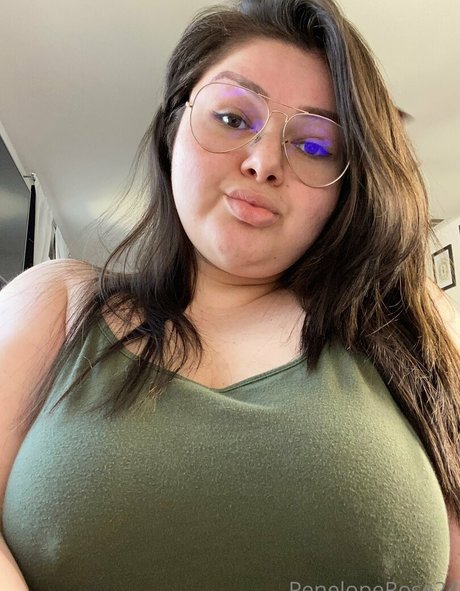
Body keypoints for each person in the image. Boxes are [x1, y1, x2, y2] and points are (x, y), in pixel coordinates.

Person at [1, 0, 459, 589]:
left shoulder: (408, 321)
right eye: (233, 117)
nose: (264, 162)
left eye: (316, 147)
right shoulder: (58, 303)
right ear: (173, 131)